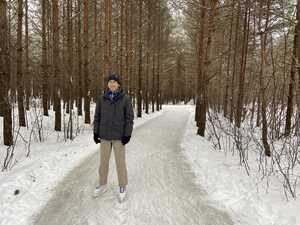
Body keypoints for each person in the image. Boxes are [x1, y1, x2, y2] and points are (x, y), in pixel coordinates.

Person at [93, 72, 134, 202]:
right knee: (103, 162)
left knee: (120, 163)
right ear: (107, 84)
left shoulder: (125, 99)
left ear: (118, 84)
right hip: (104, 136)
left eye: (114, 82)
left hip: (119, 137)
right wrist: (96, 132)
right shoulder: (101, 99)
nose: (112, 84)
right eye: (110, 82)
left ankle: (122, 186)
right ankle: (103, 184)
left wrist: (127, 134)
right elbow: (97, 117)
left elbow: (129, 118)